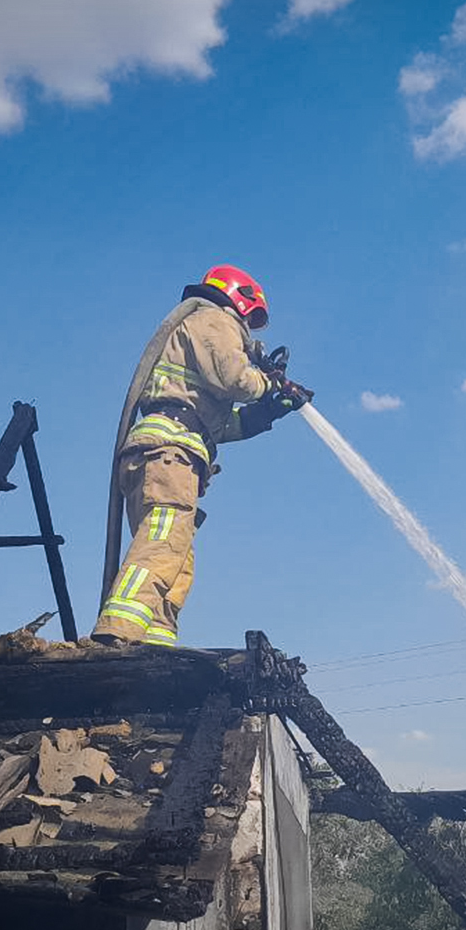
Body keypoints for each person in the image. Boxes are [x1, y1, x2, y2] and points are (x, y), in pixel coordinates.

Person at [92, 264, 310, 647]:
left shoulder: (195, 337)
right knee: (161, 545)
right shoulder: (214, 319)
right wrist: (268, 381)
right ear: (239, 298)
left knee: (177, 563)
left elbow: (219, 427)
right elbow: (237, 379)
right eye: (251, 317)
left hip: (171, 453)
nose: (249, 329)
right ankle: (118, 632)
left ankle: (154, 645)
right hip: (170, 455)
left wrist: (270, 410)